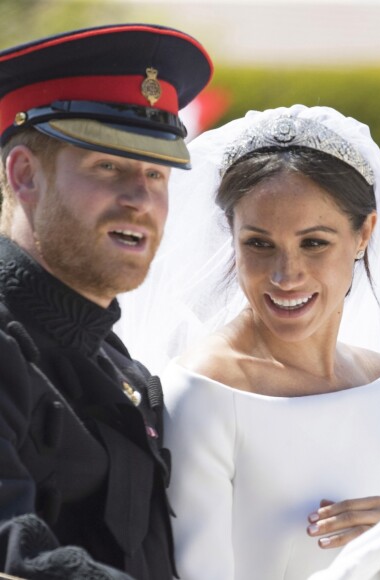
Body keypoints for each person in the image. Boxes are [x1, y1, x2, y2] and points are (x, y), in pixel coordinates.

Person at [118, 105, 380, 579]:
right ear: (231, 238)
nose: (285, 275)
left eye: (314, 243)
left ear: (364, 234)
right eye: (259, 244)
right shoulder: (202, 392)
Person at [0, 24, 212, 579]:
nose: (141, 198)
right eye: (107, 167)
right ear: (25, 175)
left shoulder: (122, 366)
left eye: (156, 173)